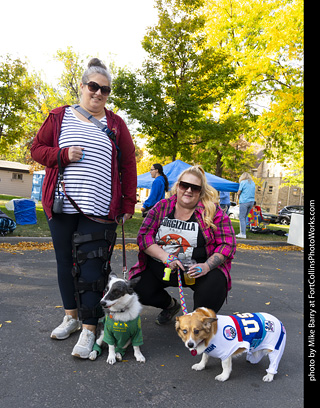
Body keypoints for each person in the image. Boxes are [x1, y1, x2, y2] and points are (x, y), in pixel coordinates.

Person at [31, 58, 137, 358]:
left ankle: (90, 329)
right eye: (93, 86)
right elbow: (37, 149)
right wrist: (61, 154)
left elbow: (129, 164)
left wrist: (128, 202)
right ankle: (72, 317)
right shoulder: (59, 116)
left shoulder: (116, 125)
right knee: (65, 263)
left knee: (92, 270)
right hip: (62, 206)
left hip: (100, 211)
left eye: (105, 89)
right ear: (82, 87)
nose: (99, 93)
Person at [129, 165, 236, 325]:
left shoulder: (213, 212)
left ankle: (199, 323)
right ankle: (170, 306)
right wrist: (165, 257)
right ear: (177, 186)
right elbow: (144, 237)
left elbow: (227, 244)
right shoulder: (161, 207)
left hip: (198, 271)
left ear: (201, 191)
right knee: (137, 287)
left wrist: (206, 266)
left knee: (216, 283)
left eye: (195, 187)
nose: (188, 190)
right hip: (162, 268)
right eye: (184, 185)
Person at [236, 172, 255, 239]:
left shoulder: (243, 182)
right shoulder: (253, 183)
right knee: (245, 217)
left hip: (244, 201)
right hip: (251, 202)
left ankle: (243, 234)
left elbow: (239, 192)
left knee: (242, 218)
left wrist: (237, 195)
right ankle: (242, 232)